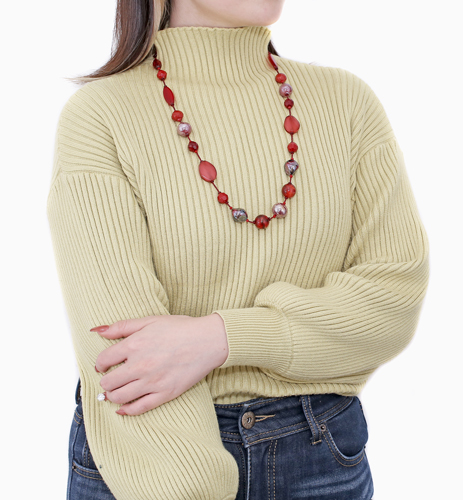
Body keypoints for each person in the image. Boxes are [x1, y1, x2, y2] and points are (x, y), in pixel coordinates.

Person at [46, 0, 430, 499]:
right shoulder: (101, 117)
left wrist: (219, 338)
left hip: (320, 456)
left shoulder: (347, 104)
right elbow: (124, 360)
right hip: (151, 464)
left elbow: (392, 302)